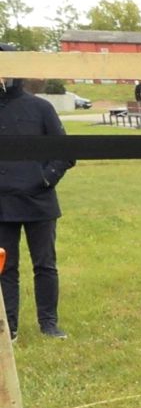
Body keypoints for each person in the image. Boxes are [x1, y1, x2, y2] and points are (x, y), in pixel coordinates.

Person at [0, 44, 76, 340]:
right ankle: (9, 328)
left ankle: (49, 324)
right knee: (6, 267)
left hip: (38, 200)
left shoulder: (40, 107)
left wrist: (45, 179)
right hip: (2, 202)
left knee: (45, 264)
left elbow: (65, 153)